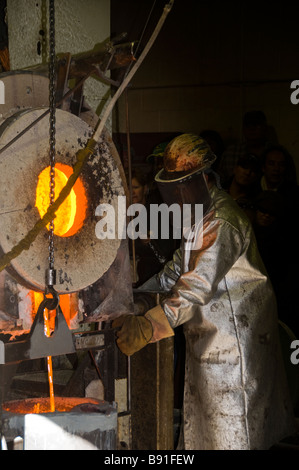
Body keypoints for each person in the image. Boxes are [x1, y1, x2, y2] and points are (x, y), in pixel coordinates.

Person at [113, 133, 295, 450]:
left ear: (205, 178)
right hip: (209, 344)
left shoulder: (222, 221)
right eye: (173, 185)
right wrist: (134, 295)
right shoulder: (200, 215)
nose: (178, 192)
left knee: (233, 436)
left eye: (184, 183)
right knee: (206, 435)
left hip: (234, 349)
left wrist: (149, 325)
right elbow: (177, 270)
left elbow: (196, 284)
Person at [129, 168, 177, 287]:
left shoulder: (159, 210)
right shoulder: (125, 214)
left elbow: (170, 243)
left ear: (145, 189)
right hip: (136, 273)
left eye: (136, 187)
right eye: (129, 188)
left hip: (161, 270)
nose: (132, 192)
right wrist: (140, 242)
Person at [217, 110, 273, 186]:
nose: (252, 128)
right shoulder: (231, 152)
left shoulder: (275, 153)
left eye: (256, 124)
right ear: (243, 128)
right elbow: (220, 182)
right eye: (248, 125)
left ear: (264, 127)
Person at [224, 153, 261, 222]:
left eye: (253, 170)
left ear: (256, 176)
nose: (247, 172)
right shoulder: (217, 190)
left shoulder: (254, 203)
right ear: (235, 169)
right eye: (245, 167)